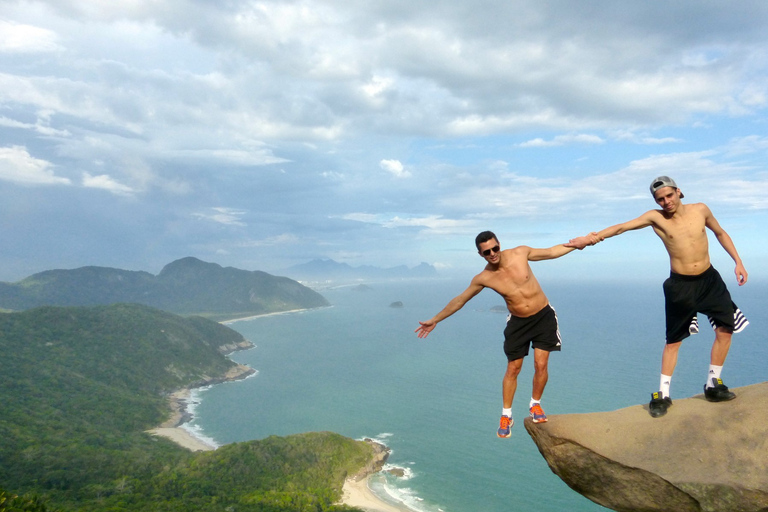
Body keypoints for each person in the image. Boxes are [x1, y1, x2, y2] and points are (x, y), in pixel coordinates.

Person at [567, 176, 748, 418]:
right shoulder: (656, 217)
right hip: (680, 285)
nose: (666, 201)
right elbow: (622, 227)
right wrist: (589, 240)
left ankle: (713, 384)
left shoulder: (701, 209)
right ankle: (662, 394)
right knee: (674, 341)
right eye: (660, 199)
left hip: (709, 280)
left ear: (678, 191)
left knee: (726, 328)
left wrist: (738, 262)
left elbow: (720, 232)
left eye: (669, 195)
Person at [415, 230, 594, 437]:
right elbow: (460, 300)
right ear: (480, 254)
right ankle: (506, 414)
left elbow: (552, 252)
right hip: (518, 323)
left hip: (543, 316)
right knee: (513, 368)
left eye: (495, 248)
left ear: (500, 244)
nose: (492, 253)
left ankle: (535, 404)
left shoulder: (520, 253)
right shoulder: (484, 278)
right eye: (486, 252)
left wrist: (581, 243)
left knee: (541, 364)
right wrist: (435, 319)